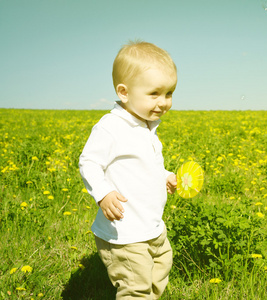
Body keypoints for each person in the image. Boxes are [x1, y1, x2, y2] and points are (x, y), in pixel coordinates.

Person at [79, 40, 177, 299]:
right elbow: (88, 162)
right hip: (125, 232)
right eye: (154, 93)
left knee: (159, 272)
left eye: (169, 93)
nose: (164, 102)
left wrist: (165, 175)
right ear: (124, 92)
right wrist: (103, 193)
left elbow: (148, 164)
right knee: (136, 289)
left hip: (152, 226)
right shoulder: (112, 126)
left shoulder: (146, 126)